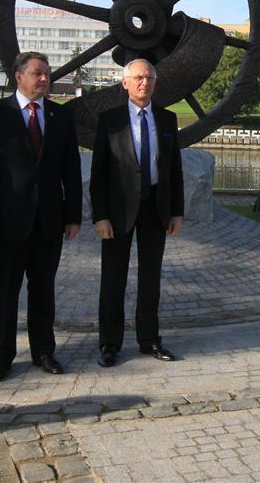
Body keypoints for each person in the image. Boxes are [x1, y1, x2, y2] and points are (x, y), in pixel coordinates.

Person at [0, 51, 82, 382]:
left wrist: (72, 215)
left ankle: (44, 351)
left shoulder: (61, 116)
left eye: (47, 74)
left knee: (43, 290)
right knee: (5, 292)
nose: (45, 79)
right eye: (38, 73)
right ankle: (2, 356)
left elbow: (71, 171)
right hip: (6, 224)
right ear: (18, 77)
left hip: (49, 221)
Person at [91, 59, 184, 367]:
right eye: (138, 78)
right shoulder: (110, 120)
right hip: (118, 211)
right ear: (125, 83)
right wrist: (100, 216)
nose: (144, 82)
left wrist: (177, 212)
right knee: (113, 280)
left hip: (155, 207)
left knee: (150, 279)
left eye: (149, 78)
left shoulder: (168, 120)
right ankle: (110, 343)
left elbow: (174, 170)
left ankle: (149, 339)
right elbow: (99, 173)